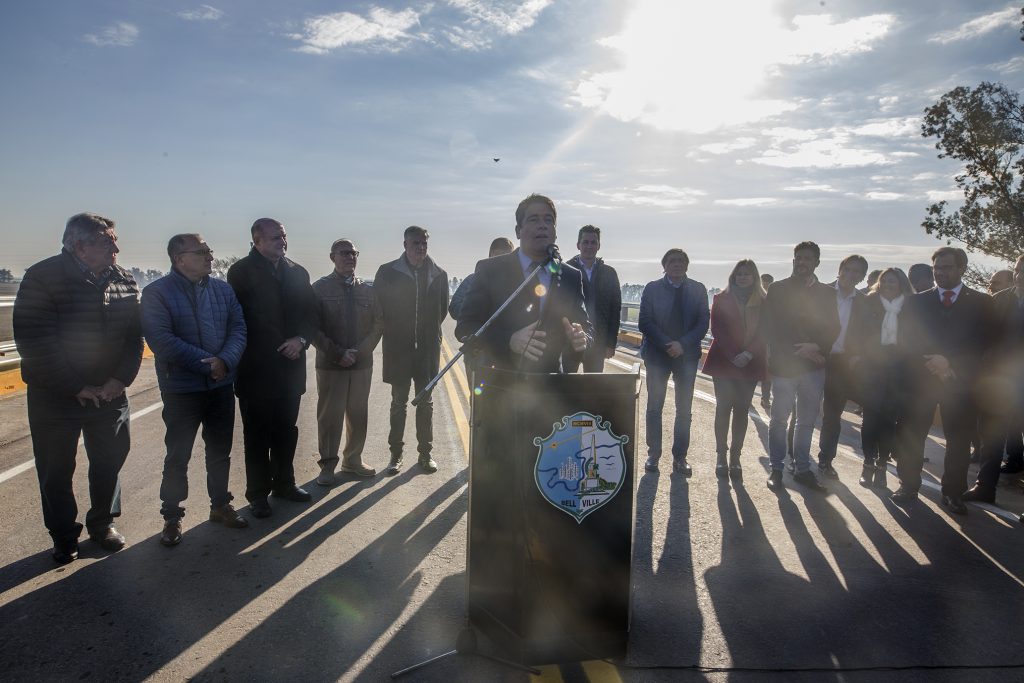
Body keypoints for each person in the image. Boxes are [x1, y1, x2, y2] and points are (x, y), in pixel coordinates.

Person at [13, 213, 143, 563]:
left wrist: (119, 379)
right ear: (79, 245)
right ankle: (63, 534)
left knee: (110, 459)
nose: (116, 247)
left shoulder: (124, 280)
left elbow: (134, 338)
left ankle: (102, 523)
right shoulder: (42, 277)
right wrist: (75, 386)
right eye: (107, 241)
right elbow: (33, 339)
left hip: (110, 393)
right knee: (56, 469)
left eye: (115, 240)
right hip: (55, 395)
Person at [142, 234, 249, 547]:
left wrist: (225, 361)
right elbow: (161, 340)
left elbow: (238, 328)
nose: (209, 257)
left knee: (219, 451)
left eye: (210, 251)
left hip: (220, 386)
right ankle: (172, 517)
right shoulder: (157, 293)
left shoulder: (222, 290)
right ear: (180, 259)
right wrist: (208, 364)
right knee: (178, 454)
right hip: (182, 389)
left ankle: (220, 505)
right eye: (202, 252)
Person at [893, 247, 994, 514]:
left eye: (947, 267)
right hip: (920, 381)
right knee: (913, 435)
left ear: (962, 269)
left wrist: (950, 363)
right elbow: (906, 338)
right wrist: (933, 361)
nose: (940, 272)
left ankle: (953, 492)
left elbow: (984, 343)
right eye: (937, 267)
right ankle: (908, 484)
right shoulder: (916, 302)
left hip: (958, 383)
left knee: (959, 441)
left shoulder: (982, 303)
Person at [228, 218, 317, 519]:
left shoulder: (298, 272)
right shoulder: (240, 272)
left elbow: (311, 314)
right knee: (257, 435)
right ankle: (257, 494)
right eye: (275, 237)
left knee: (286, 431)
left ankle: (284, 484)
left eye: (284, 235)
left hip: (291, 369)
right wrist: (282, 343)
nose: (282, 241)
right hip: (256, 369)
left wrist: (301, 339)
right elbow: (244, 318)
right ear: (257, 240)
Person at [455, 194, 591, 372]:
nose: (542, 225)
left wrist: (582, 338)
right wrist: (509, 340)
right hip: (499, 383)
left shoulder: (570, 276)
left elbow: (586, 327)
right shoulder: (490, 270)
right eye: (534, 219)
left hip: (550, 387)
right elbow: (465, 327)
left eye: (548, 220)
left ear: (555, 231)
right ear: (518, 230)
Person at [760, 241, 840, 493]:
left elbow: (833, 327)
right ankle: (776, 470)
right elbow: (770, 327)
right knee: (779, 419)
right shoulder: (778, 289)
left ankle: (803, 469)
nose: (801, 262)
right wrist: (801, 349)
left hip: (814, 368)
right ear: (793, 260)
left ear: (817, 262)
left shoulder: (827, 293)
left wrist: (817, 347)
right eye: (798, 258)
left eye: (807, 258)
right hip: (785, 366)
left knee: (806, 421)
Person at [374, 226, 449, 475]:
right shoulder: (388, 272)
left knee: (425, 403)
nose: (421, 247)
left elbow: (442, 310)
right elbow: (379, 307)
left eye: (424, 243)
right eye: (416, 243)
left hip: (427, 351)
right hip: (399, 350)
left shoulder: (438, 274)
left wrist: (428, 335)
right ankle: (395, 455)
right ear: (405, 244)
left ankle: (425, 455)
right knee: (398, 403)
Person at [311, 239, 383, 484]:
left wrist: (360, 352)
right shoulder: (320, 289)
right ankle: (327, 466)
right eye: (344, 253)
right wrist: (338, 353)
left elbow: (378, 324)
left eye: (354, 253)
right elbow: (312, 328)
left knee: (358, 413)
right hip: (331, 365)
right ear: (332, 257)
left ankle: (353, 460)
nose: (350, 257)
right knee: (330, 416)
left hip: (362, 365)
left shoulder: (368, 290)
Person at [639, 249, 710, 476]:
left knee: (684, 409)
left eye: (681, 261)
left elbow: (702, 324)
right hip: (657, 356)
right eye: (672, 261)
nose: (677, 264)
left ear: (687, 265)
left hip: (687, 357)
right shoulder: (652, 288)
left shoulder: (698, 289)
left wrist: (682, 344)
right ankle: (654, 454)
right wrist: (668, 344)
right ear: (664, 265)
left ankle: (680, 457)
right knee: (654, 407)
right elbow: (645, 322)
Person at [963, 255, 1024, 502]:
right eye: (1018, 270)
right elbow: (983, 339)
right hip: (1000, 382)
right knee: (992, 435)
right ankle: (985, 487)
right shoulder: (998, 300)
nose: (1020, 275)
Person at [849, 267, 914, 488]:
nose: (887, 285)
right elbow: (856, 331)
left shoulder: (911, 306)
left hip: (898, 370)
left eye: (892, 282)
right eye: (884, 281)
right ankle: (868, 464)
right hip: (872, 367)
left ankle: (882, 465)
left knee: (888, 420)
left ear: (901, 284)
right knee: (870, 419)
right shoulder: (868, 302)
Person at [701, 260, 766, 477]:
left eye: (747, 274)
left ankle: (735, 459)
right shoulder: (721, 298)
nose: (743, 277)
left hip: (751, 361)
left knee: (741, 411)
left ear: (754, 277)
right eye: (739, 274)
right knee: (723, 408)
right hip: (724, 361)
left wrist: (748, 353)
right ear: (733, 276)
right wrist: (733, 355)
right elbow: (717, 329)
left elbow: (767, 331)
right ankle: (721, 456)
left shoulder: (765, 301)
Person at [815, 254, 869, 478]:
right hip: (815, 358)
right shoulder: (821, 292)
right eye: (848, 269)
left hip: (842, 363)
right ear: (840, 269)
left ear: (863, 276)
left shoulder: (864, 302)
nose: (851, 275)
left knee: (832, 415)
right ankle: (794, 456)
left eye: (857, 272)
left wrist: (858, 355)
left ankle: (826, 460)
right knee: (804, 411)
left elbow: (867, 335)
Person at [565, 225, 622, 373]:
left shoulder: (609, 273)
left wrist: (611, 344)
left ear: (599, 246)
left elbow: (615, 311)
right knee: (565, 389)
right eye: (585, 242)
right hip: (571, 341)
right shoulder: (565, 270)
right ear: (578, 245)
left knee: (593, 389)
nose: (589, 246)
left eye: (593, 242)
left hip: (598, 342)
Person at [449, 237, 514, 321]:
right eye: (498, 256)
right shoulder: (472, 280)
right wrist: (477, 310)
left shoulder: (516, 283)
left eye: (506, 258)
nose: (501, 261)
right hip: (473, 332)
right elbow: (454, 307)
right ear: (490, 255)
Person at [758, 272, 775, 412]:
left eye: (768, 285)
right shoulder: (755, 298)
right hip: (754, 340)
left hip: (768, 341)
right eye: (763, 284)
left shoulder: (774, 300)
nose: (765, 287)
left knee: (766, 371)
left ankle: (765, 397)